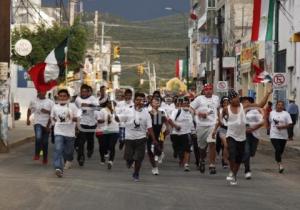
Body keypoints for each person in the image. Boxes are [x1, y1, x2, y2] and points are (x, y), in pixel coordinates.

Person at [224, 87, 272, 185]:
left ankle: (234, 175)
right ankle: (231, 171)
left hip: (242, 136)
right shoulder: (226, 109)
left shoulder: (245, 106)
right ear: (230, 100)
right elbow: (222, 119)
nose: (237, 99)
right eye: (234, 98)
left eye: (237, 97)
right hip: (231, 135)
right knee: (232, 154)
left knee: (238, 158)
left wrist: (267, 94)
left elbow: (260, 105)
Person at [117, 92, 158, 181]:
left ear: (144, 101)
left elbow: (150, 127)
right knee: (128, 158)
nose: (139, 102)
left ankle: (136, 174)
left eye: (141, 100)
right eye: (137, 100)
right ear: (134, 101)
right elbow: (120, 119)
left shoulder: (146, 113)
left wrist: (154, 139)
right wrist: (115, 117)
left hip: (141, 138)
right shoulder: (128, 110)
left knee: (139, 158)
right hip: (129, 139)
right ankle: (129, 161)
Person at [190, 84, 219, 174]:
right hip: (201, 125)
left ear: (212, 90)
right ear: (204, 91)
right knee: (202, 147)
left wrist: (219, 120)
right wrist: (198, 113)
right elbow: (191, 108)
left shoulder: (216, 98)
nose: (208, 91)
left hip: (212, 124)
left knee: (212, 143)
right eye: (206, 89)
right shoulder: (199, 99)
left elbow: (217, 109)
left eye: (210, 89)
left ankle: (212, 165)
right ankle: (202, 159)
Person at [51, 89, 79, 177]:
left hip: (70, 133)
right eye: (60, 96)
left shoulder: (73, 106)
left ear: (68, 97)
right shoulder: (55, 106)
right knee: (58, 149)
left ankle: (69, 159)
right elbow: (52, 117)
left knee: (68, 152)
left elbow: (78, 118)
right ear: (58, 97)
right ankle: (58, 168)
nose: (62, 98)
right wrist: (55, 123)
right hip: (58, 131)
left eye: (64, 96)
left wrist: (71, 118)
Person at [27, 91, 54, 164]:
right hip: (37, 122)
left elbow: (53, 113)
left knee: (45, 142)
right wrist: (28, 119)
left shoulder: (50, 102)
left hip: (47, 124)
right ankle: (37, 154)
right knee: (38, 137)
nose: (39, 93)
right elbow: (29, 109)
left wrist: (47, 111)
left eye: (41, 92)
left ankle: (45, 158)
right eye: (38, 92)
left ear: (44, 93)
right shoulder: (33, 101)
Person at [75, 84, 98, 166]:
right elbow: (77, 109)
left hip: (91, 123)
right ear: (80, 92)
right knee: (81, 142)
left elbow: (97, 107)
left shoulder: (92, 99)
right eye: (82, 91)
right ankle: (81, 157)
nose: (84, 93)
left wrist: (88, 105)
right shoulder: (77, 99)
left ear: (88, 92)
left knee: (90, 140)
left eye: (85, 91)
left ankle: (90, 150)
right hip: (82, 123)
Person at [241, 97, 264, 180]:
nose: (245, 104)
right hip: (244, 135)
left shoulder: (255, 112)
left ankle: (243, 158)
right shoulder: (239, 112)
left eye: (247, 102)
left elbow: (262, 122)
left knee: (251, 153)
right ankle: (247, 170)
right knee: (246, 152)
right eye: (243, 103)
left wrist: (252, 129)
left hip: (254, 135)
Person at [169, 96, 193, 171]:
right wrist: (175, 126)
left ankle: (186, 164)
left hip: (186, 133)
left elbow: (192, 123)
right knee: (178, 149)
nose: (186, 105)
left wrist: (193, 131)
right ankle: (179, 157)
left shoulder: (190, 112)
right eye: (184, 103)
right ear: (181, 104)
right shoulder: (177, 111)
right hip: (176, 134)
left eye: (187, 103)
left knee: (187, 149)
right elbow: (170, 120)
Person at [269, 100, 293, 173]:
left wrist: (282, 127)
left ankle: (278, 158)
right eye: (278, 105)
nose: (280, 106)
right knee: (278, 148)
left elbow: (290, 124)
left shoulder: (286, 114)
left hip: (283, 136)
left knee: (280, 151)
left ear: (283, 106)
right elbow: (270, 121)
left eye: (281, 105)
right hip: (273, 135)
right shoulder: (272, 113)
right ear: (276, 105)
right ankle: (280, 165)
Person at [95, 100, 120, 169]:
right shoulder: (103, 110)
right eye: (110, 104)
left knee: (112, 146)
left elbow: (119, 120)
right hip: (104, 130)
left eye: (113, 104)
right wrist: (106, 120)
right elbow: (99, 120)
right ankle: (102, 158)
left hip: (114, 130)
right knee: (103, 146)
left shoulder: (117, 110)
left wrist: (116, 116)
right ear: (107, 104)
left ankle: (110, 161)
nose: (111, 105)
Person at [147, 97, 169, 175]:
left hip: (160, 133)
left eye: (157, 102)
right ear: (151, 104)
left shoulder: (161, 113)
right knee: (150, 151)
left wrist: (167, 129)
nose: (156, 104)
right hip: (150, 134)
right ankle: (154, 167)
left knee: (159, 148)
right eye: (154, 102)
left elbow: (166, 121)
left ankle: (160, 153)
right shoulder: (148, 113)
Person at [212, 96, 229, 169]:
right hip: (222, 129)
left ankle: (224, 158)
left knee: (226, 146)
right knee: (225, 145)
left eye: (227, 102)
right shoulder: (220, 110)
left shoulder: (232, 109)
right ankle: (224, 160)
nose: (226, 104)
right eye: (224, 102)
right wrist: (215, 130)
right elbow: (219, 121)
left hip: (231, 130)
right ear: (222, 103)